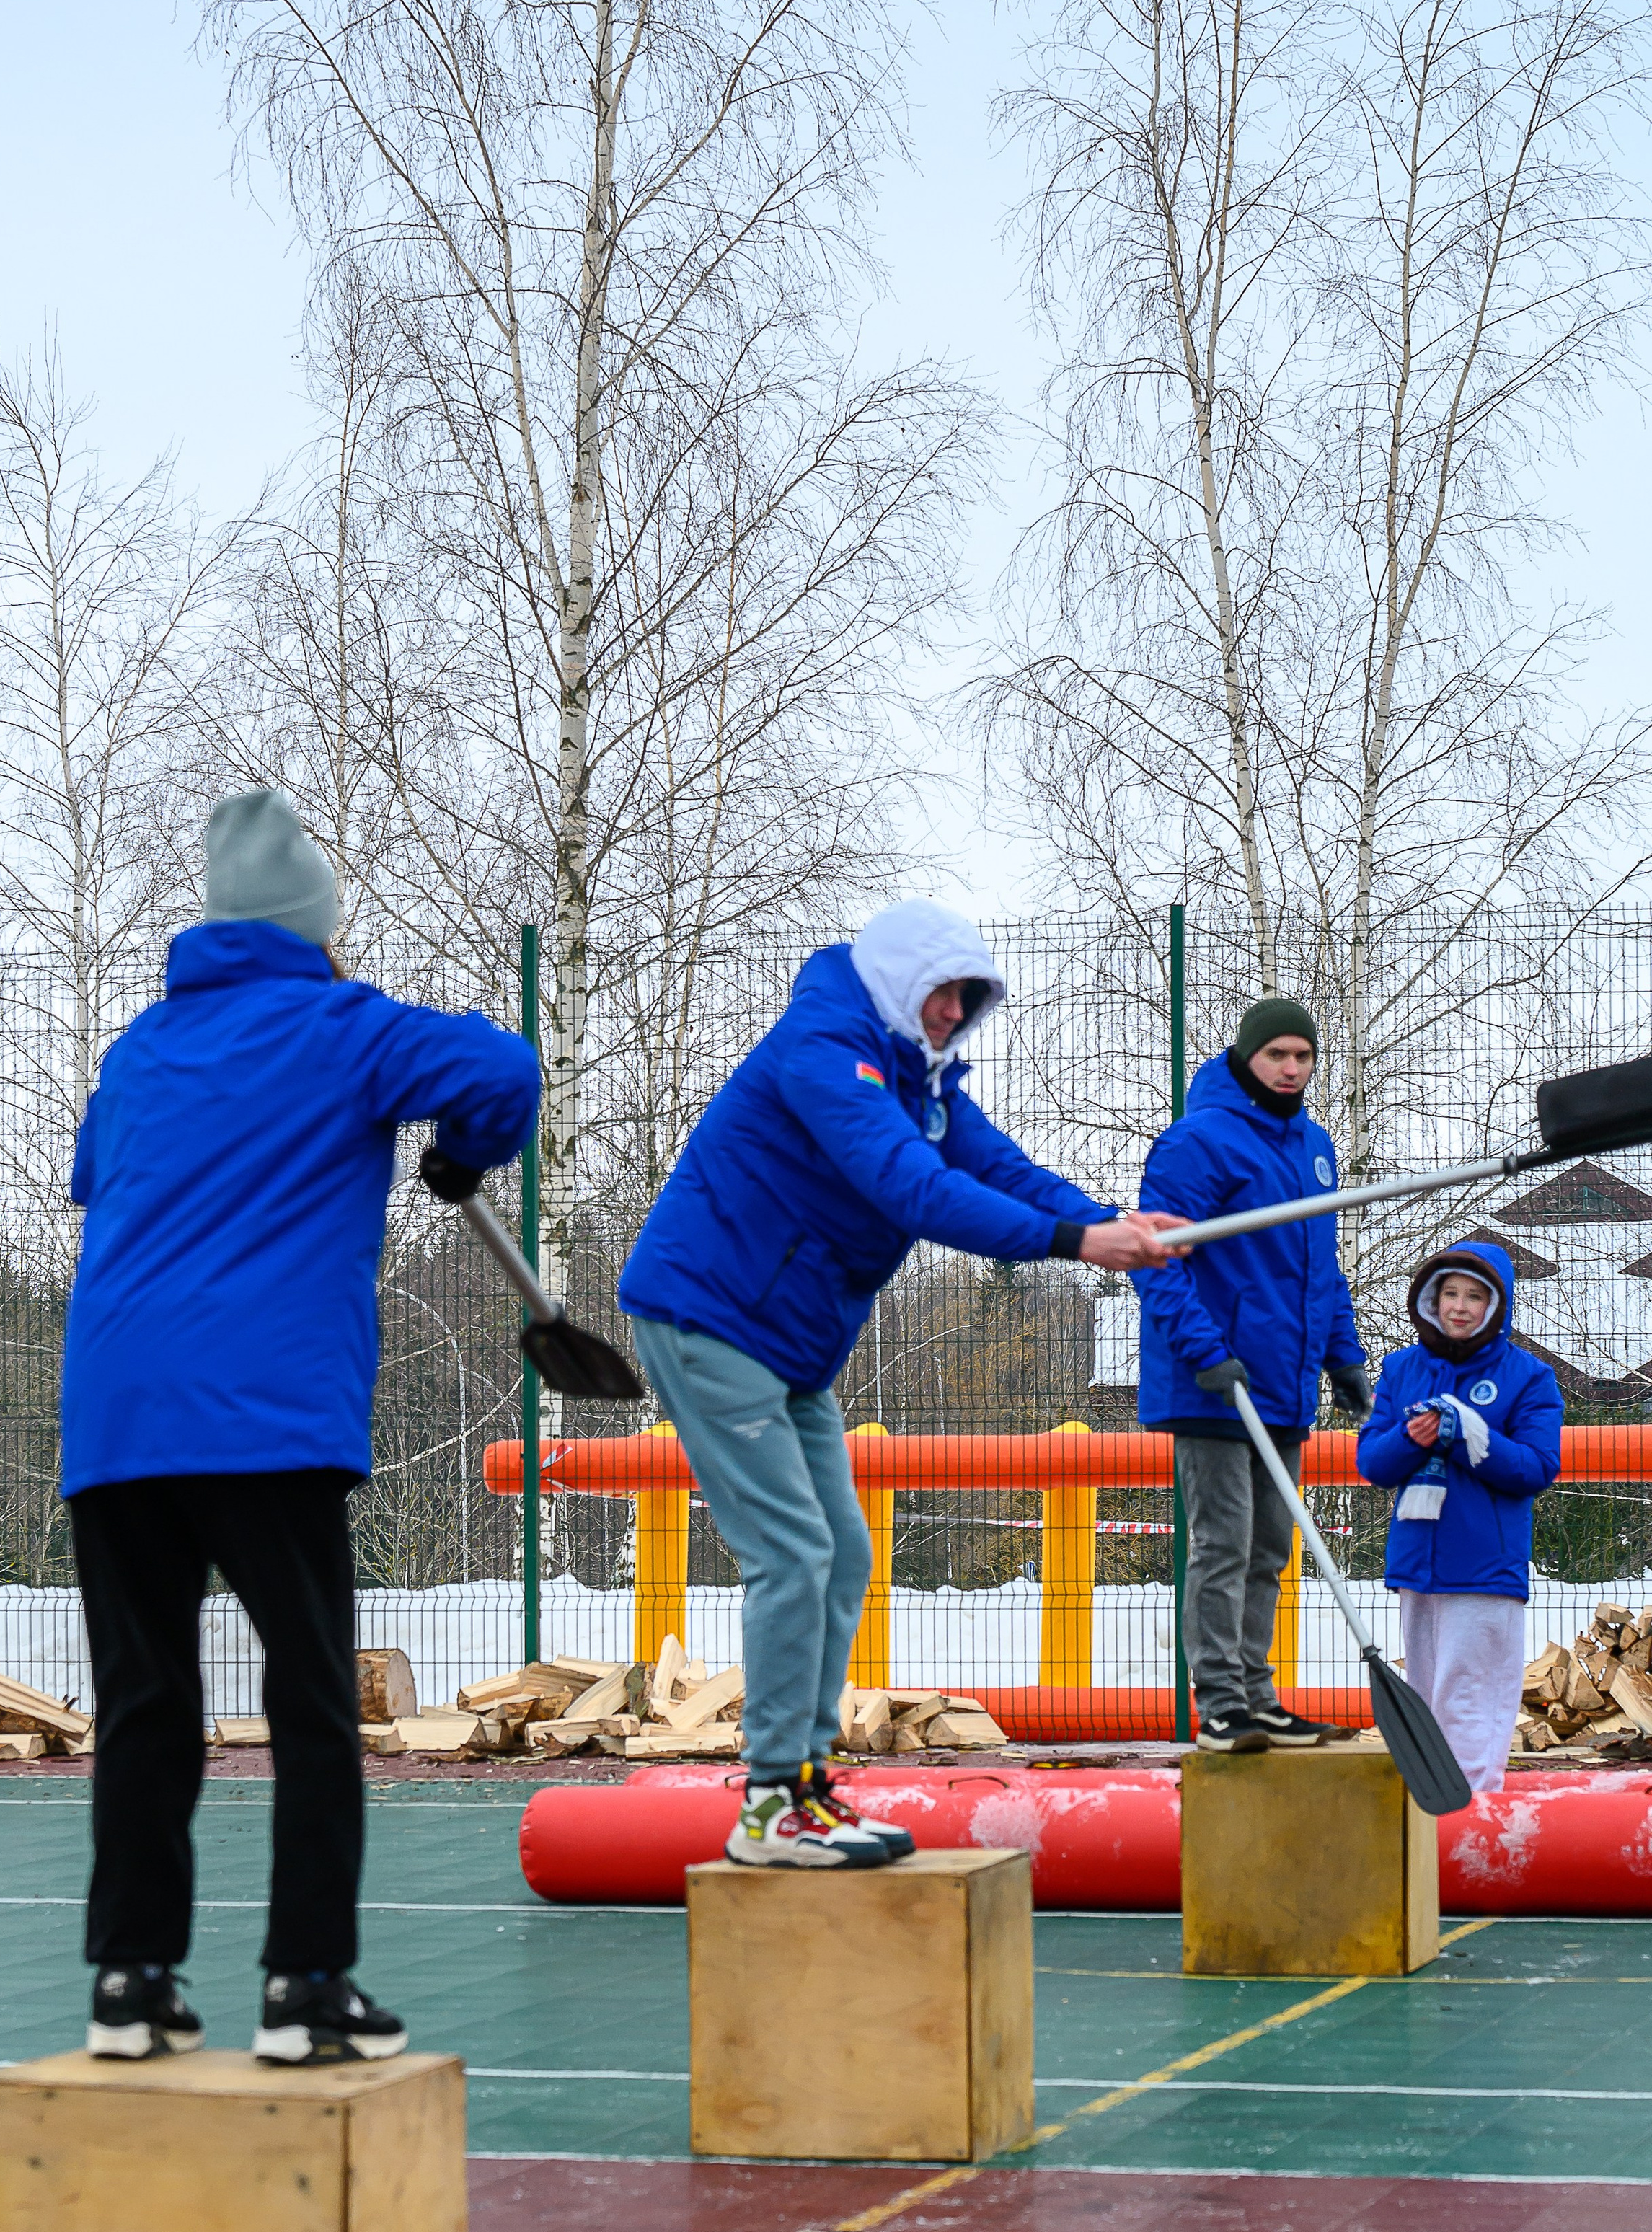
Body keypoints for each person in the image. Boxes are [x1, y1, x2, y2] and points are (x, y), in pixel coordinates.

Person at [63, 789, 539, 2065]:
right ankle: (306, 1987)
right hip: (264, 1416)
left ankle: (130, 1982)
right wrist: (458, 1149)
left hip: (116, 1419)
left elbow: (91, 1176)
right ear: (317, 928)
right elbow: (504, 1070)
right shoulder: (346, 1026)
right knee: (315, 1700)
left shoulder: (141, 1050)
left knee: (146, 1704)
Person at [618, 901, 1185, 1869]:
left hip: (786, 1343)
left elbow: (998, 1167)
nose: (951, 1012)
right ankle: (769, 1808)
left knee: (841, 1553)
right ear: (895, 982)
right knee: (791, 1553)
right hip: (705, 1315)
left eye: (968, 999)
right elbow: (909, 1188)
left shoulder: (919, 1078)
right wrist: (1072, 1242)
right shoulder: (826, 1051)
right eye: (939, 993)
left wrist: (1107, 1224)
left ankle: (801, 1785)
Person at [1136, 997, 1371, 1752]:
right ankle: (1221, 1703)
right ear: (1246, 1056)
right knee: (1224, 1541)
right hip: (1215, 1383)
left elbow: (1319, 1269)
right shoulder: (1197, 1143)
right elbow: (1155, 1261)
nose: (1291, 1069)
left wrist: (1343, 1356)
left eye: (1303, 1056)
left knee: (1271, 1545)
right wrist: (1205, 1353)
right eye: (1277, 1055)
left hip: (1284, 1380)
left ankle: (1259, 1695)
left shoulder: (1315, 1148)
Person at [1354, 1242, 1561, 1799]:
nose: (1461, 1306)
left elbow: (1537, 1468)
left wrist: (1473, 1438)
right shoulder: (1401, 1368)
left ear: (1498, 1305)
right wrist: (1410, 1437)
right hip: (1417, 1567)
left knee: (1469, 1699)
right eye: (1451, 1293)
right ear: (1432, 1298)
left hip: (1485, 1571)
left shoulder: (1530, 1377)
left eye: (1476, 1296)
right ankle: (1431, 1825)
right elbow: (1373, 1461)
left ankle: (1471, 1825)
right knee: (1427, 1698)